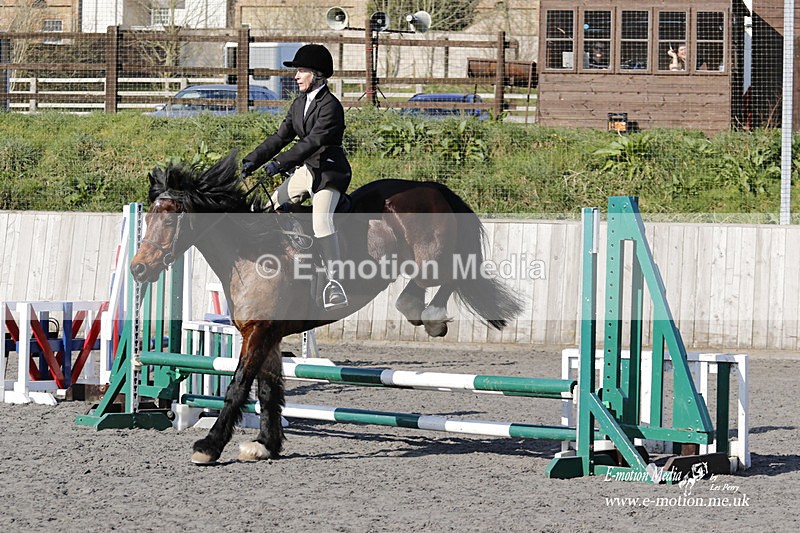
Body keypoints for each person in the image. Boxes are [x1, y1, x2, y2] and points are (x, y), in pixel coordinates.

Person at [240, 44, 351, 311]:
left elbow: (313, 142)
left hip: (328, 171)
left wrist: (279, 164)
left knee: (321, 222)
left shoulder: (331, 106)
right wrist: (254, 160)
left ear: (317, 75)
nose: (296, 76)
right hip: (307, 170)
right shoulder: (299, 102)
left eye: (301, 71)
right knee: (271, 206)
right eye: (297, 71)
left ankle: (335, 284)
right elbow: (281, 137)